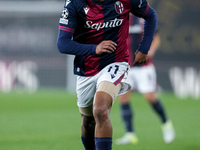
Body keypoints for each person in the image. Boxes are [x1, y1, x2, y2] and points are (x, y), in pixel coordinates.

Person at [57, 0, 157, 149]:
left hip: (116, 62)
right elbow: (62, 43)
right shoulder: (74, 3)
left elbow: (150, 15)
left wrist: (144, 48)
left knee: (100, 109)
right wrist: (94, 49)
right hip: (86, 68)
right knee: (88, 121)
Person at [115, 15, 175, 145]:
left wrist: (150, 50)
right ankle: (130, 134)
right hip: (126, 65)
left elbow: (156, 37)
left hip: (144, 67)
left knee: (150, 97)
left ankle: (166, 123)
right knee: (124, 98)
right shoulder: (120, 16)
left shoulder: (144, 16)